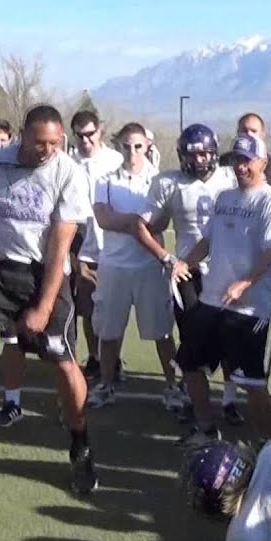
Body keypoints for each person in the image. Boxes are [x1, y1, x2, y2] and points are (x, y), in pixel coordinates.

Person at [0, 105, 96, 494]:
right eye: (39, 141)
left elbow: (60, 249)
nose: (46, 149)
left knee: (63, 366)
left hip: (43, 275)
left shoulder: (68, 173)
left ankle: (81, 446)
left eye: (54, 142)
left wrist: (42, 308)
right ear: (22, 135)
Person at [174, 134, 271, 442]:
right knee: (189, 363)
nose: (241, 166)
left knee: (250, 381)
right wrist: (186, 262)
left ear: (263, 162)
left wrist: (245, 282)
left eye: (248, 160)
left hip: (250, 308)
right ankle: (207, 429)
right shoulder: (224, 198)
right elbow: (207, 241)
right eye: (237, 160)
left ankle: (265, 443)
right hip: (212, 299)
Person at [132, 123, 236, 419]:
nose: (200, 160)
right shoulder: (169, 183)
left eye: (205, 154)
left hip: (226, 268)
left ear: (215, 153)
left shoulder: (230, 178)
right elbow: (143, 226)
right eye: (193, 155)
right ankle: (193, 397)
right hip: (188, 270)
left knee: (227, 336)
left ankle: (228, 399)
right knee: (192, 336)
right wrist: (166, 258)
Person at [86, 122, 181, 411]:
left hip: (149, 267)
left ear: (147, 147)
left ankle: (173, 387)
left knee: (162, 332)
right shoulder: (105, 179)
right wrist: (136, 224)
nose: (132, 152)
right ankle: (106, 384)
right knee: (109, 331)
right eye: (126, 146)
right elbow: (103, 218)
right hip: (113, 266)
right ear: (118, 146)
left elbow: (161, 222)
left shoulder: (159, 180)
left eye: (137, 146)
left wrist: (130, 223)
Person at [67, 110, 123, 381]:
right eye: (80, 135)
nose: (85, 139)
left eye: (90, 133)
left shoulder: (116, 160)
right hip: (84, 247)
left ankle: (115, 359)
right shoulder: (68, 163)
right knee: (88, 309)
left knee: (114, 309)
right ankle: (95, 357)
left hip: (114, 247)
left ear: (99, 131)